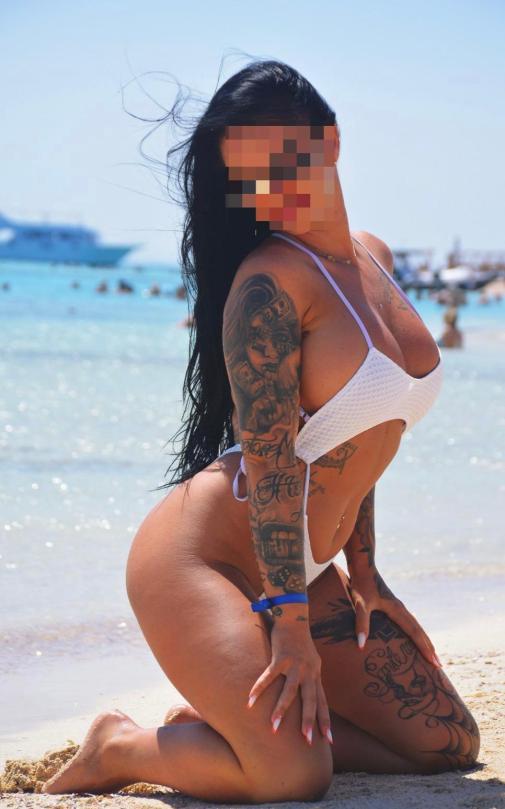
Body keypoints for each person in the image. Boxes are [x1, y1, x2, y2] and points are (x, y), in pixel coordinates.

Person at [42, 59, 479, 801]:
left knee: (447, 743)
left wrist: (367, 575)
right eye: (249, 180)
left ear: (329, 141)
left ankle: (225, 730)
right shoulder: (269, 284)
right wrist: (290, 624)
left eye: (283, 163)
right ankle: (120, 744)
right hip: (206, 558)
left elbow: (358, 439)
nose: (270, 192)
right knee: (292, 778)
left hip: (303, 565)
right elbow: (274, 461)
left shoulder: (373, 258)